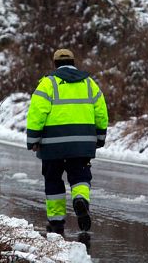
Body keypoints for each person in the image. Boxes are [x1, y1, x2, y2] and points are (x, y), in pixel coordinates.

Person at [26, 48, 108, 234]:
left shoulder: (47, 84)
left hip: (52, 145)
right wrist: (100, 137)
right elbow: (101, 112)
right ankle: (80, 200)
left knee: (53, 179)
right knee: (80, 177)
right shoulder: (89, 84)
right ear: (73, 62)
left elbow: (36, 113)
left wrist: (33, 140)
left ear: (54, 64)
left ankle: (56, 223)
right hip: (82, 144)